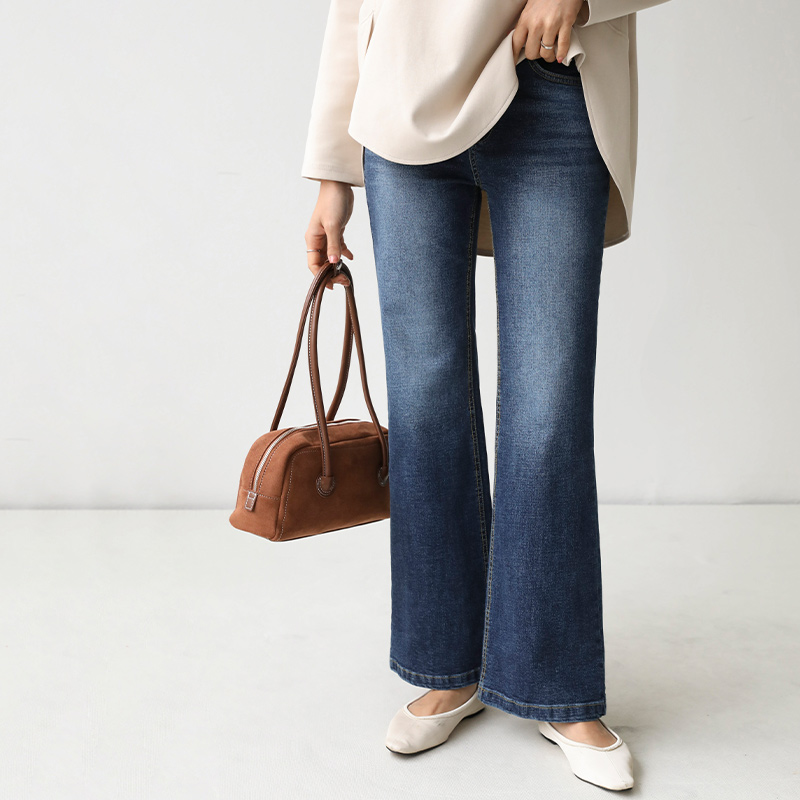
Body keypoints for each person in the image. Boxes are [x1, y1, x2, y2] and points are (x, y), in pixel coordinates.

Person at [300, 0, 671, 791]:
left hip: (550, 86)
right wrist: (332, 170)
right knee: (425, 401)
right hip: (400, 105)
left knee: (547, 410)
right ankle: (449, 665)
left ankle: (555, 685)